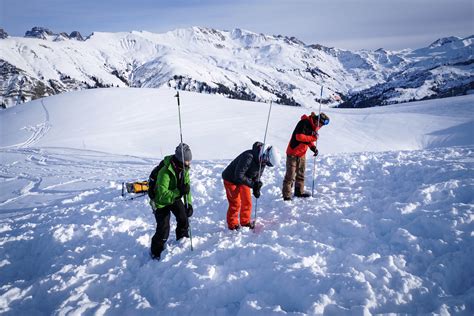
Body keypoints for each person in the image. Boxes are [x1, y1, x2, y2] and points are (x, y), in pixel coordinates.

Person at [150, 143, 193, 260]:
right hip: (160, 201)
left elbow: (186, 188)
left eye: (190, 161)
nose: (189, 163)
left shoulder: (184, 169)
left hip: (174, 196)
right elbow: (162, 195)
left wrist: (189, 204)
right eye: (187, 161)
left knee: (183, 217)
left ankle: (182, 239)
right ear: (180, 160)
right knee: (163, 229)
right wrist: (179, 192)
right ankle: (156, 252)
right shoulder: (165, 172)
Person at [222, 142, 277, 230]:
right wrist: (253, 185)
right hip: (231, 179)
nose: (265, 164)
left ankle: (245, 222)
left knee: (247, 201)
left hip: (244, 179)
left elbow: (257, 175)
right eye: (266, 162)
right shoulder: (249, 156)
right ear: (266, 155)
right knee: (235, 203)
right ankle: (233, 224)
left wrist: (256, 187)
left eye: (267, 163)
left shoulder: (262, 160)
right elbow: (238, 175)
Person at [282, 112, 330, 201]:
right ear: (317, 120)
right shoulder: (304, 123)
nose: (321, 126)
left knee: (301, 173)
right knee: (290, 175)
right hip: (293, 152)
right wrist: (313, 138)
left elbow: (307, 140)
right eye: (321, 124)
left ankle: (299, 192)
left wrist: (313, 147)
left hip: (302, 153)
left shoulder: (313, 126)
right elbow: (299, 137)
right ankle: (286, 196)